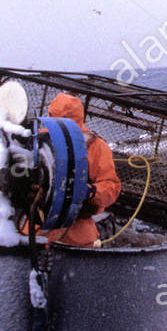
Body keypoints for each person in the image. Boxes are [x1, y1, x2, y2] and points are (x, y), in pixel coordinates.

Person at [42, 93, 122, 247]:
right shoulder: (40, 142)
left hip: (77, 231)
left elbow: (112, 188)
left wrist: (90, 191)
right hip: (37, 226)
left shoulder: (97, 147)